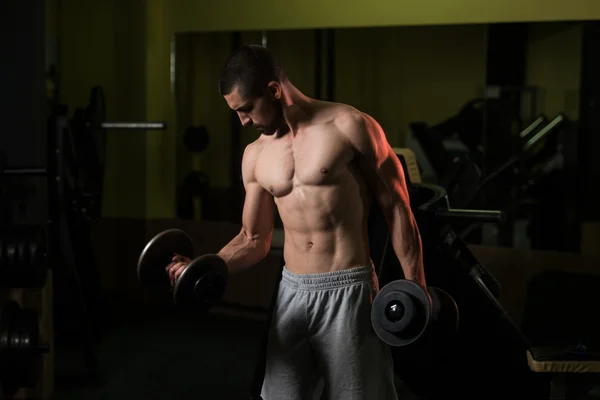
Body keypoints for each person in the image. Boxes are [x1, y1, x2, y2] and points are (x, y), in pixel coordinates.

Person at [166, 44, 426, 400]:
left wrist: (416, 288)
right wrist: (203, 268)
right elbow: (253, 238)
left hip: (347, 289)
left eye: (246, 109)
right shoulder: (255, 155)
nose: (242, 121)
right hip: (291, 291)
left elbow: (397, 207)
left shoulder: (349, 126)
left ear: (274, 90)